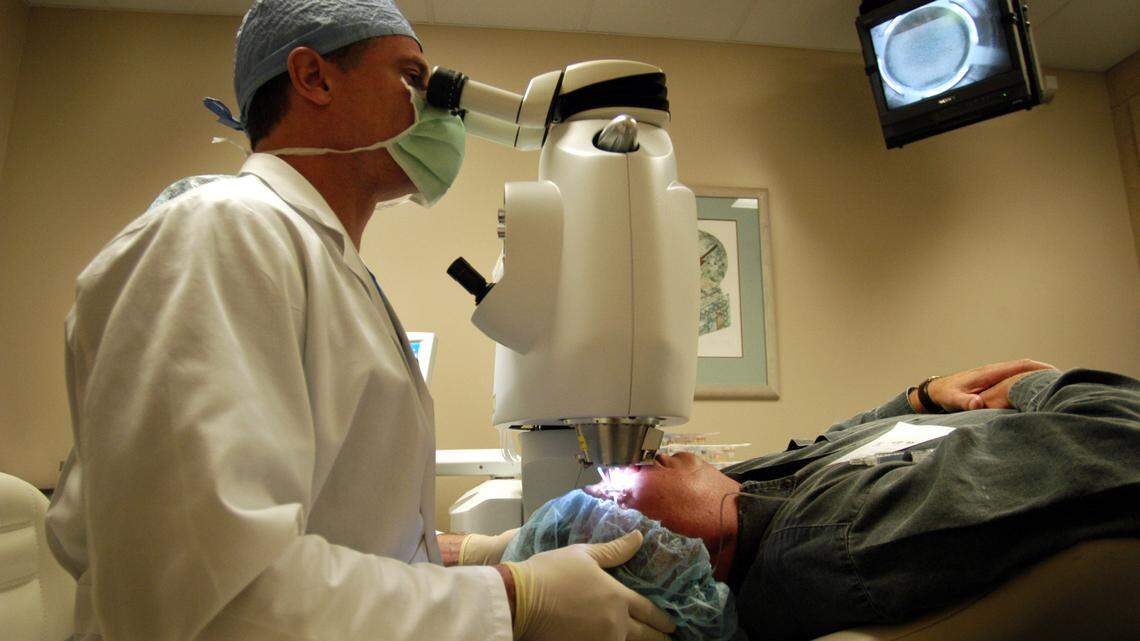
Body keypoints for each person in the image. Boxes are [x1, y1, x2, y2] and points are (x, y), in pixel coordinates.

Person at [43, 2, 675, 641]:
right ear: (314, 78)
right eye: (411, 78)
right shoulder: (222, 233)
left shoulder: (327, 265)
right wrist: (512, 599)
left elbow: (337, 527)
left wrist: (469, 554)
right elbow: (206, 597)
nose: (439, 110)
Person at [586, 360, 1140, 641]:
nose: (637, 459)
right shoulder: (831, 541)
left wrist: (923, 396)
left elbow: (828, 450)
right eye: (616, 488)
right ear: (674, 560)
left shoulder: (739, 494)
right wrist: (1030, 385)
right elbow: (1123, 435)